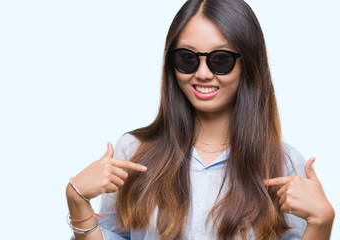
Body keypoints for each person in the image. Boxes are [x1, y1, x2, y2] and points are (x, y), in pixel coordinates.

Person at [66, 0, 335, 239]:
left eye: (220, 60)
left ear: (248, 64)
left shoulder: (284, 165)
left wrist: (322, 223)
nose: (203, 74)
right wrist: (76, 199)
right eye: (187, 58)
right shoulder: (134, 153)